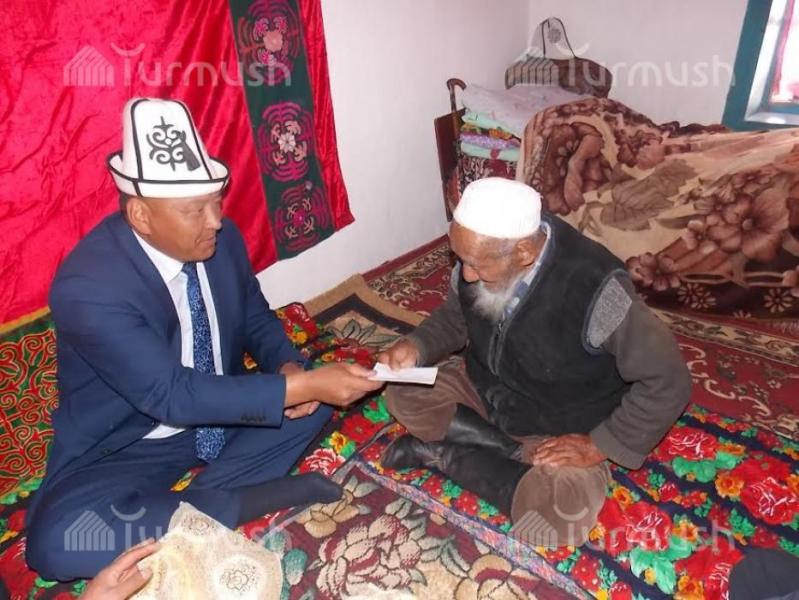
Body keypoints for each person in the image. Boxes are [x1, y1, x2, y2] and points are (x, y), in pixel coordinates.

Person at [25, 98, 382, 581]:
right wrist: (299, 387)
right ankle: (245, 499)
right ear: (141, 215)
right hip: (130, 445)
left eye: (216, 201)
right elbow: (170, 394)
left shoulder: (222, 239)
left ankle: (184, 510)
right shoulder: (88, 287)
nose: (215, 219)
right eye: (195, 210)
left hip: (220, 413)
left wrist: (289, 368)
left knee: (312, 404)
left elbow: (254, 315)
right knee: (57, 544)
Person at [378, 177, 691, 546]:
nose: (466, 274)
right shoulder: (477, 255)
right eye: (460, 259)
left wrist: (598, 445)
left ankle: (444, 456)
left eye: (475, 264)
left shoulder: (595, 289)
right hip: (489, 393)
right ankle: (507, 452)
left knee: (555, 518)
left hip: (561, 423)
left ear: (524, 253)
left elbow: (669, 379)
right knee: (401, 388)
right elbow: (455, 317)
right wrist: (416, 346)